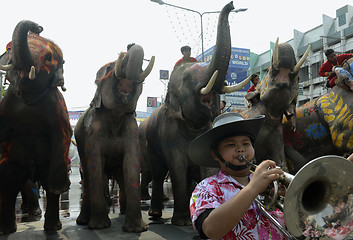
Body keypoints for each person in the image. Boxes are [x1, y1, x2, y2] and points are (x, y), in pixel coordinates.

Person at [189, 112, 286, 239]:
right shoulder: (206, 187)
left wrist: (291, 197)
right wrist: (253, 188)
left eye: (246, 144)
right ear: (215, 154)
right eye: (231, 144)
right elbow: (210, 230)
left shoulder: (270, 182)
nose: (240, 149)